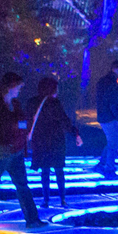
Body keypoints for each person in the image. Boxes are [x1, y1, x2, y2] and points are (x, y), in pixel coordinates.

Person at [0, 72, 43, 230]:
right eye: (18, 86)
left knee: (22, 184)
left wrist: (24, 131)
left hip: (15, 151)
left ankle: (32, 219)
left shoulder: (16, 104)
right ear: (10, 86)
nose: (20, 89)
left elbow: (21, 123)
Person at [26, 76, 82, 208]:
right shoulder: (54, 103)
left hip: (40, 141)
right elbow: (64, 121)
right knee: (59, 171)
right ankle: (62, 199)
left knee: (45, 171)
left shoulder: (32, 102)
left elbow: (27, 119)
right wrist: (76, 134)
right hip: (56, 141)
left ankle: (46, 200)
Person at [94, 61, 118, 176]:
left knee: (110, 141)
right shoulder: (113, 84)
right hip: (110, 117)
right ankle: (109, 167)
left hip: (102, 115)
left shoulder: (103, 81)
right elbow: (113, 103)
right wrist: (117, 117)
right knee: (114, 143)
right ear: (116, 69)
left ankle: (103, 163)